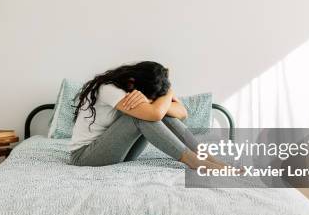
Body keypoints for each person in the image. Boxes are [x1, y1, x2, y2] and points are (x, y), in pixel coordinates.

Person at [70, 61, 224, 170]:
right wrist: (168, 91)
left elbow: (182, 113)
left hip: (118, 153)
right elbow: (155, 113)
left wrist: (166, 92)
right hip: (85, 156)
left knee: (161, 113)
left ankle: (210, 159)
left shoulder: (139, 86)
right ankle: (194, 162)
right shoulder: (108, 89)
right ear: (131, 83)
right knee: (141, 116)